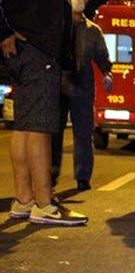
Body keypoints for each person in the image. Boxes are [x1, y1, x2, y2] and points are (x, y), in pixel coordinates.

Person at [1, 0, 88, 225]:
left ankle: (24, 199)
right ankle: (44, 204)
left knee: (24, 125)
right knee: (40, 126)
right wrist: (3, 32)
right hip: (38, 47)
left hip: (28, 47)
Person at [52, 0, 113, 191]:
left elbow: (102, 56)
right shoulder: (57, 24)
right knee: (54, 132)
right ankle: (50, 175)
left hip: (82, 83)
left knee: (84, 133)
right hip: (58, 82)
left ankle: (83, 177)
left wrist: (107, 73)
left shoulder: (93, 29)